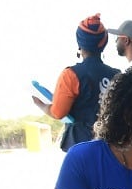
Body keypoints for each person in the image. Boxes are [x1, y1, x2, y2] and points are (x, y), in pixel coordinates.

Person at [31, 14, 121, 152]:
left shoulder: (71, 75)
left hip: (81, 148)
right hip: (112, 148)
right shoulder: (117, 75)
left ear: (79, 43)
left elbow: (58, 113)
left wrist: (42, 105)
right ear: (103, 43)